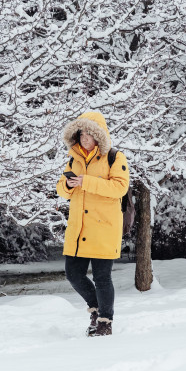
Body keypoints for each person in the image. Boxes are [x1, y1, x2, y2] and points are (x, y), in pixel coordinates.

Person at [56, 111, 129, 336]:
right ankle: (96, 309)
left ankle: (105, 322)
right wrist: (68, 185)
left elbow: (120, 187)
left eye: (89, 134)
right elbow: (61, 189)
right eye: (81, 134)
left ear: (98, 135)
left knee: (101, 278)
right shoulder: (73, 158)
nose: (84, 138)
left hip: (104, 227)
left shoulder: (115, 158)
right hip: (79, 228)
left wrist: (87, 182)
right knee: (73, 273)